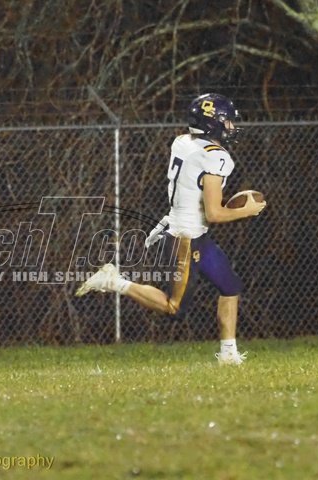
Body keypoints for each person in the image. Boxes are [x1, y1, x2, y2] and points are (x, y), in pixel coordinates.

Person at [76, 93, 266, 365]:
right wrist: (246, 211)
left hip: (191, 231)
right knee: (173, 307)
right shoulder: (216, 158)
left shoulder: (183, 142)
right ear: (213, 123)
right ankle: (113, 281)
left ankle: (228, 354)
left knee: (230, 286)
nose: (232, 127)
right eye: (227, 121)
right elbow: (214, 213)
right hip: (184, 239)